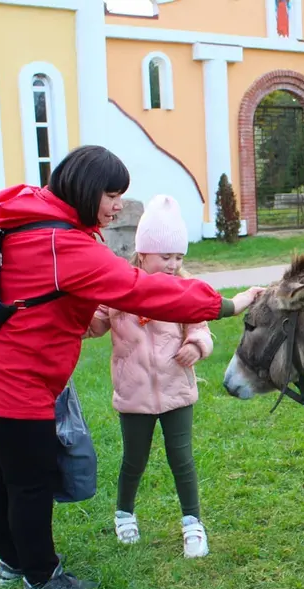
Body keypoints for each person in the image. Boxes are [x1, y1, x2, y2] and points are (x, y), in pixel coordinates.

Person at [0, 146, 265, 589]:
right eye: (112, 195)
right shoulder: (65, 244)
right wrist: (227, 304)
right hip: (10, 380)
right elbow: (142, 291)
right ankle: (42, 579)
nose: (117, 205)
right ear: (87, 190)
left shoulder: (29, 212)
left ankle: (13, 564)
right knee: (28, 479)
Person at [85, 195, 214, 558]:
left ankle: (193, 523)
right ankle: (124, 514)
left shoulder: (185, 290)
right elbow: (95, 324)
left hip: (176, 392)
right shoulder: (119, 290)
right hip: (133, 394)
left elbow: (201, 328)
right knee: (134, 459)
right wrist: (80, 318)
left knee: (182, 459)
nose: (174, 265)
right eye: (166, 256)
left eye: (179, 257)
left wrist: (196, 346)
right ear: (143, 254)